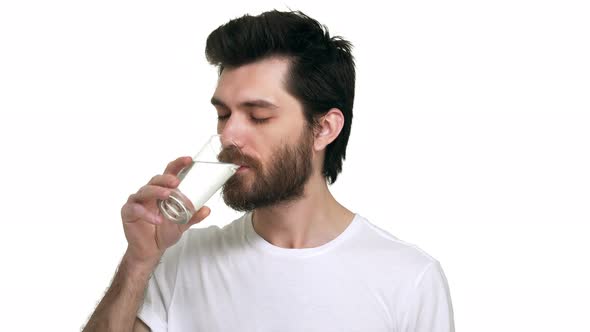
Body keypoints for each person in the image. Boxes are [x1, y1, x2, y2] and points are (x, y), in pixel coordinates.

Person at [83, 9, 454, 332]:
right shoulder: (181, 259)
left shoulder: (409, 280)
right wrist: (139, 260)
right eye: (223, 114)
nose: (228, 135)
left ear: (324, 129)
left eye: (258, 116)